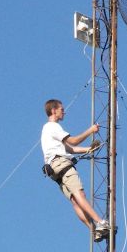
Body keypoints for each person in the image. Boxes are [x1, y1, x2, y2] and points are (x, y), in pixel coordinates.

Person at [41, 99, 111, 242]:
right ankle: (100, 222)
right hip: (61, 163)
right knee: (80, 194)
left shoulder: (47, 130)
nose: (64, 111)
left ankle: (94, 231)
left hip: (54, 171)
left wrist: (89, 149)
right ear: (53, 110)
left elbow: (70, 149)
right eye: (61, 109)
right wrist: (90, 131)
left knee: (75, 201)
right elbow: (73, 141)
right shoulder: (53, 126)